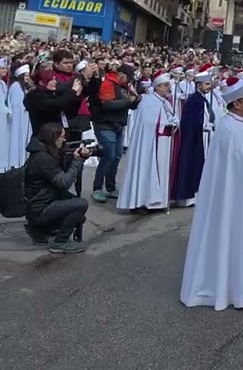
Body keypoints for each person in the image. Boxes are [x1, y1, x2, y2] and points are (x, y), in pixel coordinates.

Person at [179, 76, 243, 310]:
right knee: (233, 237)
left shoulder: (240, 126)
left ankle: (240, 284)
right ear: (236, 104)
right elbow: (242, 165)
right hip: (234, 200)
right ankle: (232, 288)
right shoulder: (231, 129)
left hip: (242, 196)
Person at [22, 121, 91, 253]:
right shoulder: (42, 158)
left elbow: (58, 172)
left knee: (78, 216)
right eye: (62, 136)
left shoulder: (43, 152)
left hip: (40, 204)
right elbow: (64, 182)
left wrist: (74, 158)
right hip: (40, 209)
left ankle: (41, 231)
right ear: (53, 137)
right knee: (80, 205)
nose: (64, 140)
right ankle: (60, 242)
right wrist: (77, 161)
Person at [117, 73, 180, 212]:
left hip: (163, 144)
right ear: (157, 87)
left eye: (169, 85)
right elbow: (148, 123)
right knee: (147, 170)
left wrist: (174, 121)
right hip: (150, 145)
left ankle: (158, 202)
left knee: (161, 173)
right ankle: (142, 201)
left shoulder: (165, 102)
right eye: (165, 85)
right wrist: (165, 123)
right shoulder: (148, 101)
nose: (169, 88)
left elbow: (169, 117)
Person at [88, 61, 138, 203]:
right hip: (105, 124)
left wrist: (135, 99)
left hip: (118, 125)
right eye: (128, 77)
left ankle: (110, 187)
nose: (129, 80)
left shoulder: (124, 86)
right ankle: (97, 188)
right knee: (108, 155)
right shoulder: (108, 83)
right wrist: (128, 100)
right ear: (121, 74)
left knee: (116, 157)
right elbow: (107, 104)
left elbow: (131, 105)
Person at [172, 69, 215, 207]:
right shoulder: (194, 100)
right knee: (192, 164)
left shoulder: (201, 99)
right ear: (199, 85)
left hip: (201, 136)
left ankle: (197, 193)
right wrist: (203, 125)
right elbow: (191, 121)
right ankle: (188, 196)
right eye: (207, 84)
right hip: (195, 137)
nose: (209, 87)